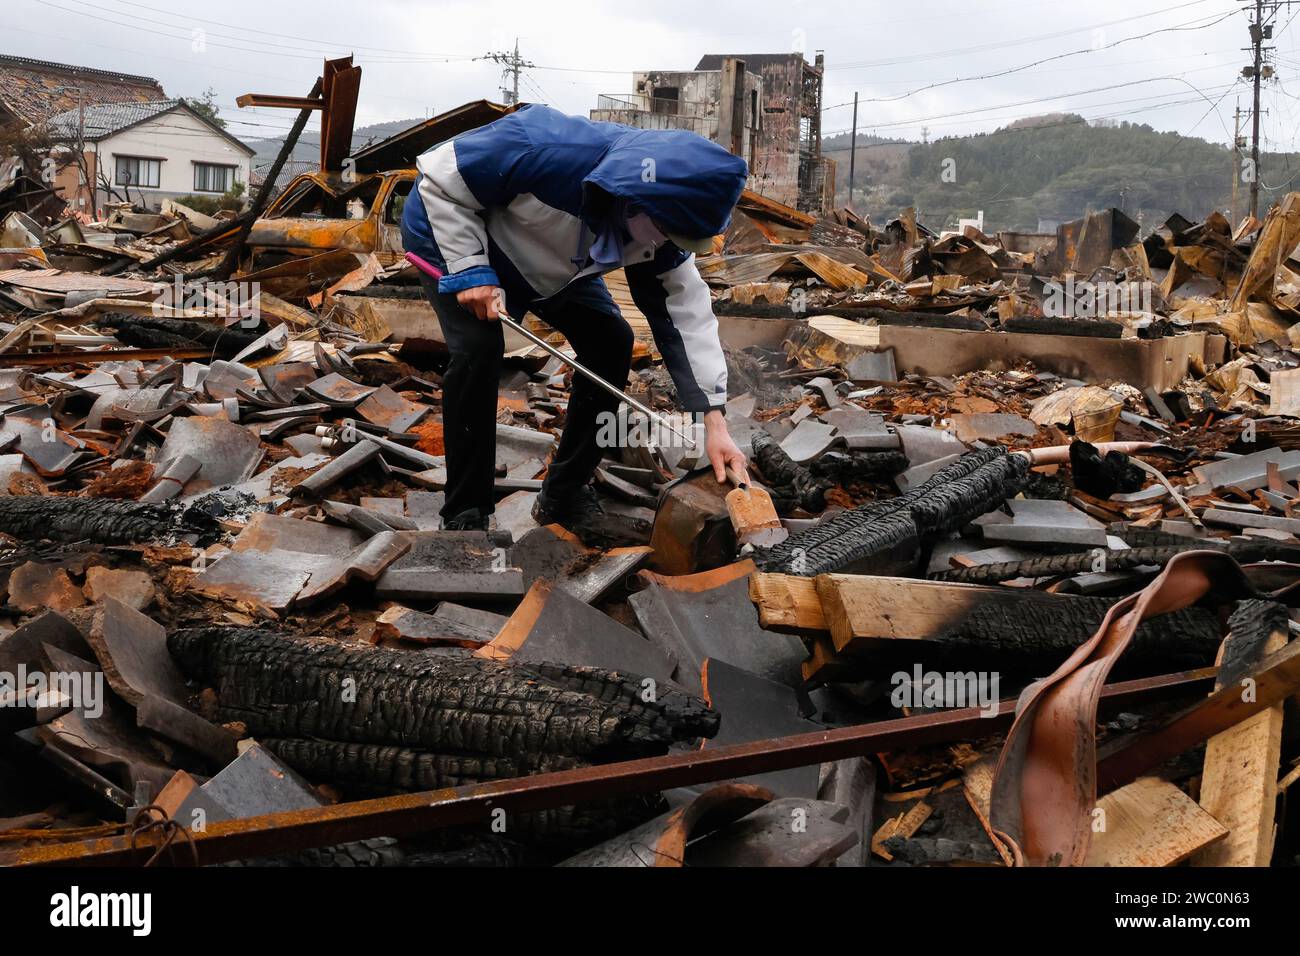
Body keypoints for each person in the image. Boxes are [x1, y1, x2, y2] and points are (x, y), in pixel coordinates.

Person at [401, 103, 750, 540]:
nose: (666, 245)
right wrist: (470, 268)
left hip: (553, 263)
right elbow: (439, 177)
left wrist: (713, 423)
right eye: (667, 232)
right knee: (479, 349)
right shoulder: (544, 143)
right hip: (457, 237)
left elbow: (689, 316)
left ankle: (562, 495)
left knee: (610, 343)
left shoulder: (660, 224)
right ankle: (466, 515)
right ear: (638, 198)